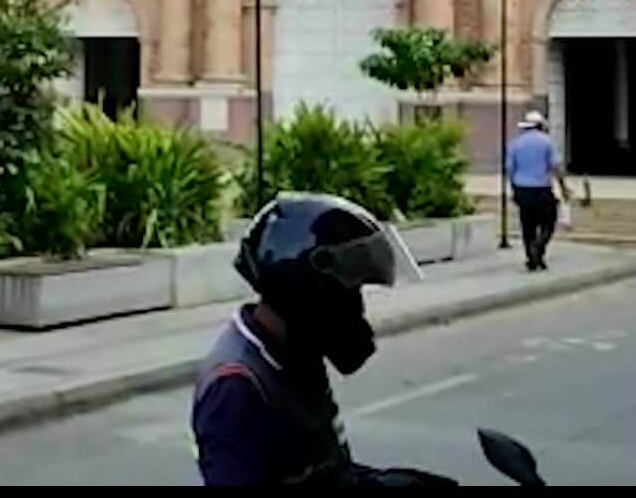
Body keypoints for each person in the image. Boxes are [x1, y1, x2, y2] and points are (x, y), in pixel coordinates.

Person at [191, 193, 451, 487]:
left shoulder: (296, 353)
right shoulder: (237, 386)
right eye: (348, 294)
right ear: (303, 288)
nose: (356, 310)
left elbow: (319, 467)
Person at [505, 110, 568, 271]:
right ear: (541, 125)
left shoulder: (515, 143)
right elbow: (556, 167)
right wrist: (563, 187)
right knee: (548, 223)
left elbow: (510, 170)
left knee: (527, 225)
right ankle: (539, 247)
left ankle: (532, 257)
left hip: (522, 188)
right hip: (542, 188)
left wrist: (513, 189)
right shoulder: (547, 142)